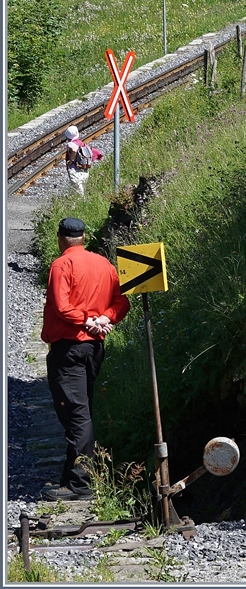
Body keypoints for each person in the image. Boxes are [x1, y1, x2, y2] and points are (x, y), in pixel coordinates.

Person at [41, 217, 130, 501]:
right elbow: (122, 301)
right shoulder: (104, 264)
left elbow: (61, 306)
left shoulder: (61, 265)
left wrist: (87, 320)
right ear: (84, 237)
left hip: (69, 349)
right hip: (94, 349)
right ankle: (71, 475)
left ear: (60, 238)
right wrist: (105, 318)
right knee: (82, 409)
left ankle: (82, 484)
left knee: (76, 414)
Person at [64, 125, 92, 196]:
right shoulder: (81, 143)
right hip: (84, 170)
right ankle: (73, 205)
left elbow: (73, 150)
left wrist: (71, 160)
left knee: (79, 193)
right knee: (76, 191)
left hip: (75, 171)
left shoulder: (71, 144)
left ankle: (83, 205)